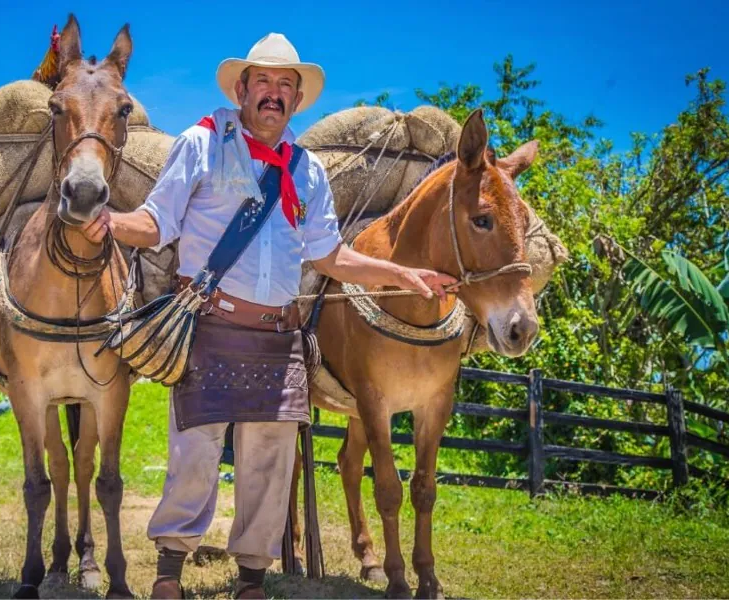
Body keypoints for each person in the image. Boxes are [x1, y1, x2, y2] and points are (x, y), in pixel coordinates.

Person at [80, 32, 456, 599]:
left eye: (285, 85)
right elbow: (157, 223)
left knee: (269, 465)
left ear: (296, 99)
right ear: (241, 89)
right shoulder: (201, 143)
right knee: (196, 455)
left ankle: (252, 578)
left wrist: (405, 276)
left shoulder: (308, 173)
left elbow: (330, 255)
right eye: (264, 82)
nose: (274, 94)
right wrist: (111, 222)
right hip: (209, 326)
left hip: (278, 336)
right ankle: (168, 573)